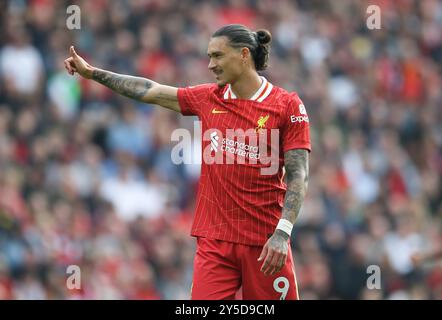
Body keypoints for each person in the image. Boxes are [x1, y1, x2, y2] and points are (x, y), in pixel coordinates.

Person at [64, 24, 310, 300]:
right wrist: (93, 73)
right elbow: (150, 90)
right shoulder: (208, 98)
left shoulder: (287, 105)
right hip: (215, 243)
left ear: (243, 55)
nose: (210, 64)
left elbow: (298, 175)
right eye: (209, 56)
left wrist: (282, 233)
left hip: (265, 242)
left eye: (217, 56)